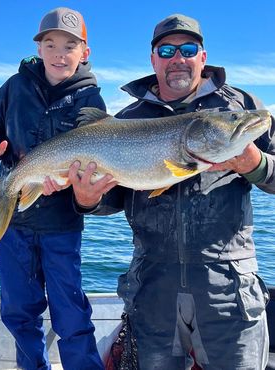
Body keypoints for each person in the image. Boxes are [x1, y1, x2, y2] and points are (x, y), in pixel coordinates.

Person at [65, 13, 275, 370]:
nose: (178, 58)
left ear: (203, 58)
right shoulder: (126, 120)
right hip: (151, 289)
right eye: (166, 50)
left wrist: (256, 165)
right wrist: (87, 200)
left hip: (227, 287)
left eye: (188, 49)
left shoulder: (239, 109)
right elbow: (115, 197)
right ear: (153, 59)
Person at [0, 7, 106, 370]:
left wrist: (74, 186)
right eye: (50, 44)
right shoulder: (14, 86)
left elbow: (94, 164)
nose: (58, 54)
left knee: (72, 315)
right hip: (14, 224)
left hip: (61, 225)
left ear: (84, 52)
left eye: (69, 46)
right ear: (39, 48)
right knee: (19, 310)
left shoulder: (91, 101)